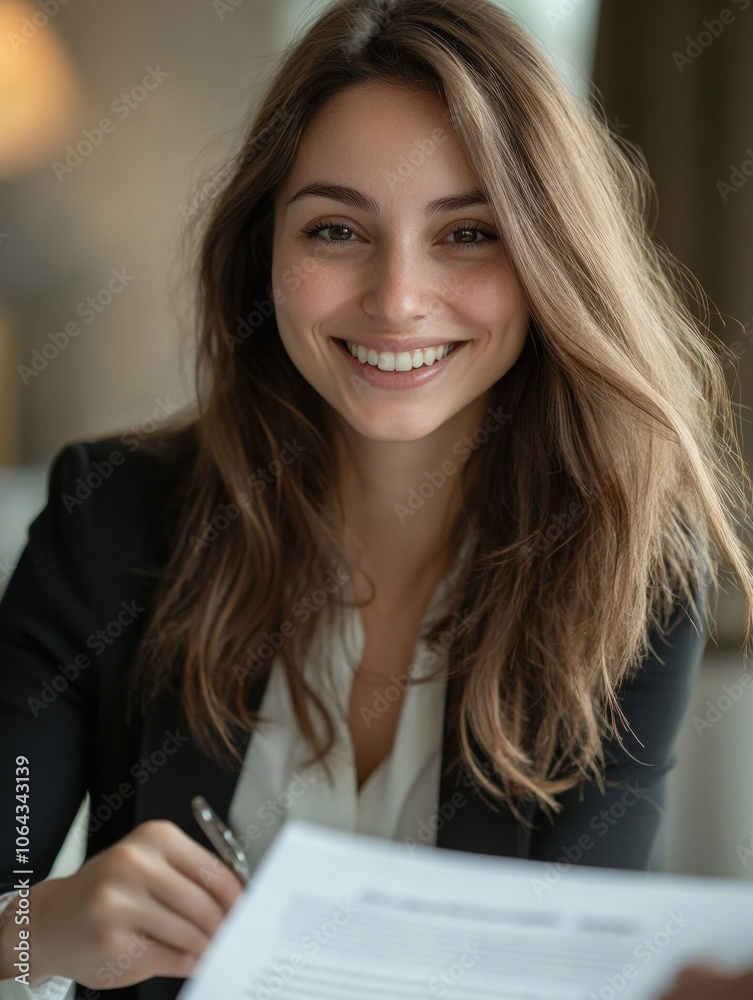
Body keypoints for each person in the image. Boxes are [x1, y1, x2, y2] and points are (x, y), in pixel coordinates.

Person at [1, 0, 751, 998]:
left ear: (547, 258)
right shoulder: (109, 516)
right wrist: (34, 928)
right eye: (339, 229)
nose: (397, 298)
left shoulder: (634, 572)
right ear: (264, 250)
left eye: (469, 232)